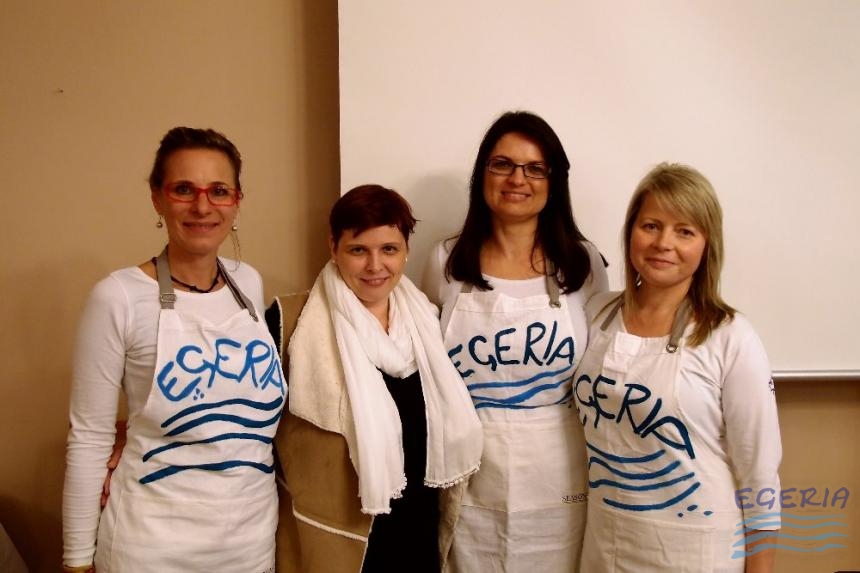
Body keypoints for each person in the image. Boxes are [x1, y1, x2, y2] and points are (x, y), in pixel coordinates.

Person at [62, 127, 285, 573]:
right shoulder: (118, 297)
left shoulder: (249, 283)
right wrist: (76, 560)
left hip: (251, 546)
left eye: (218, 190)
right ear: (157, 198)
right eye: (184, 189)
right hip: (151, 549)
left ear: (237, 201)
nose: (202, 206)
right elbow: (89, 437)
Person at [421, 111, 608, 571]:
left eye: (535, 168)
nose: (517, 179)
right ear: (482, 173)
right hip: (468, 479)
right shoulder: (445, 261)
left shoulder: (583, 263)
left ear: (554, 181)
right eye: (502, 164)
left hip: (560, 484)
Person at [573, 163, 781, 572]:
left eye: (684, 231)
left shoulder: (731, 337)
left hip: (694, 552)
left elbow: (760, 476)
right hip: (604, 545)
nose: (663, 243)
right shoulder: (596, 314)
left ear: (707, 245)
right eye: (651, 225)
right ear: (631, 232)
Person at [269, 184, 483, 573]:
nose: (375, 265)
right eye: (358, 250)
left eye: (388, 249)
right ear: (333, 247)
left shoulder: (429, 322)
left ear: (406, 250)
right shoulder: (292, 323)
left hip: (418, 540)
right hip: (339, 548)